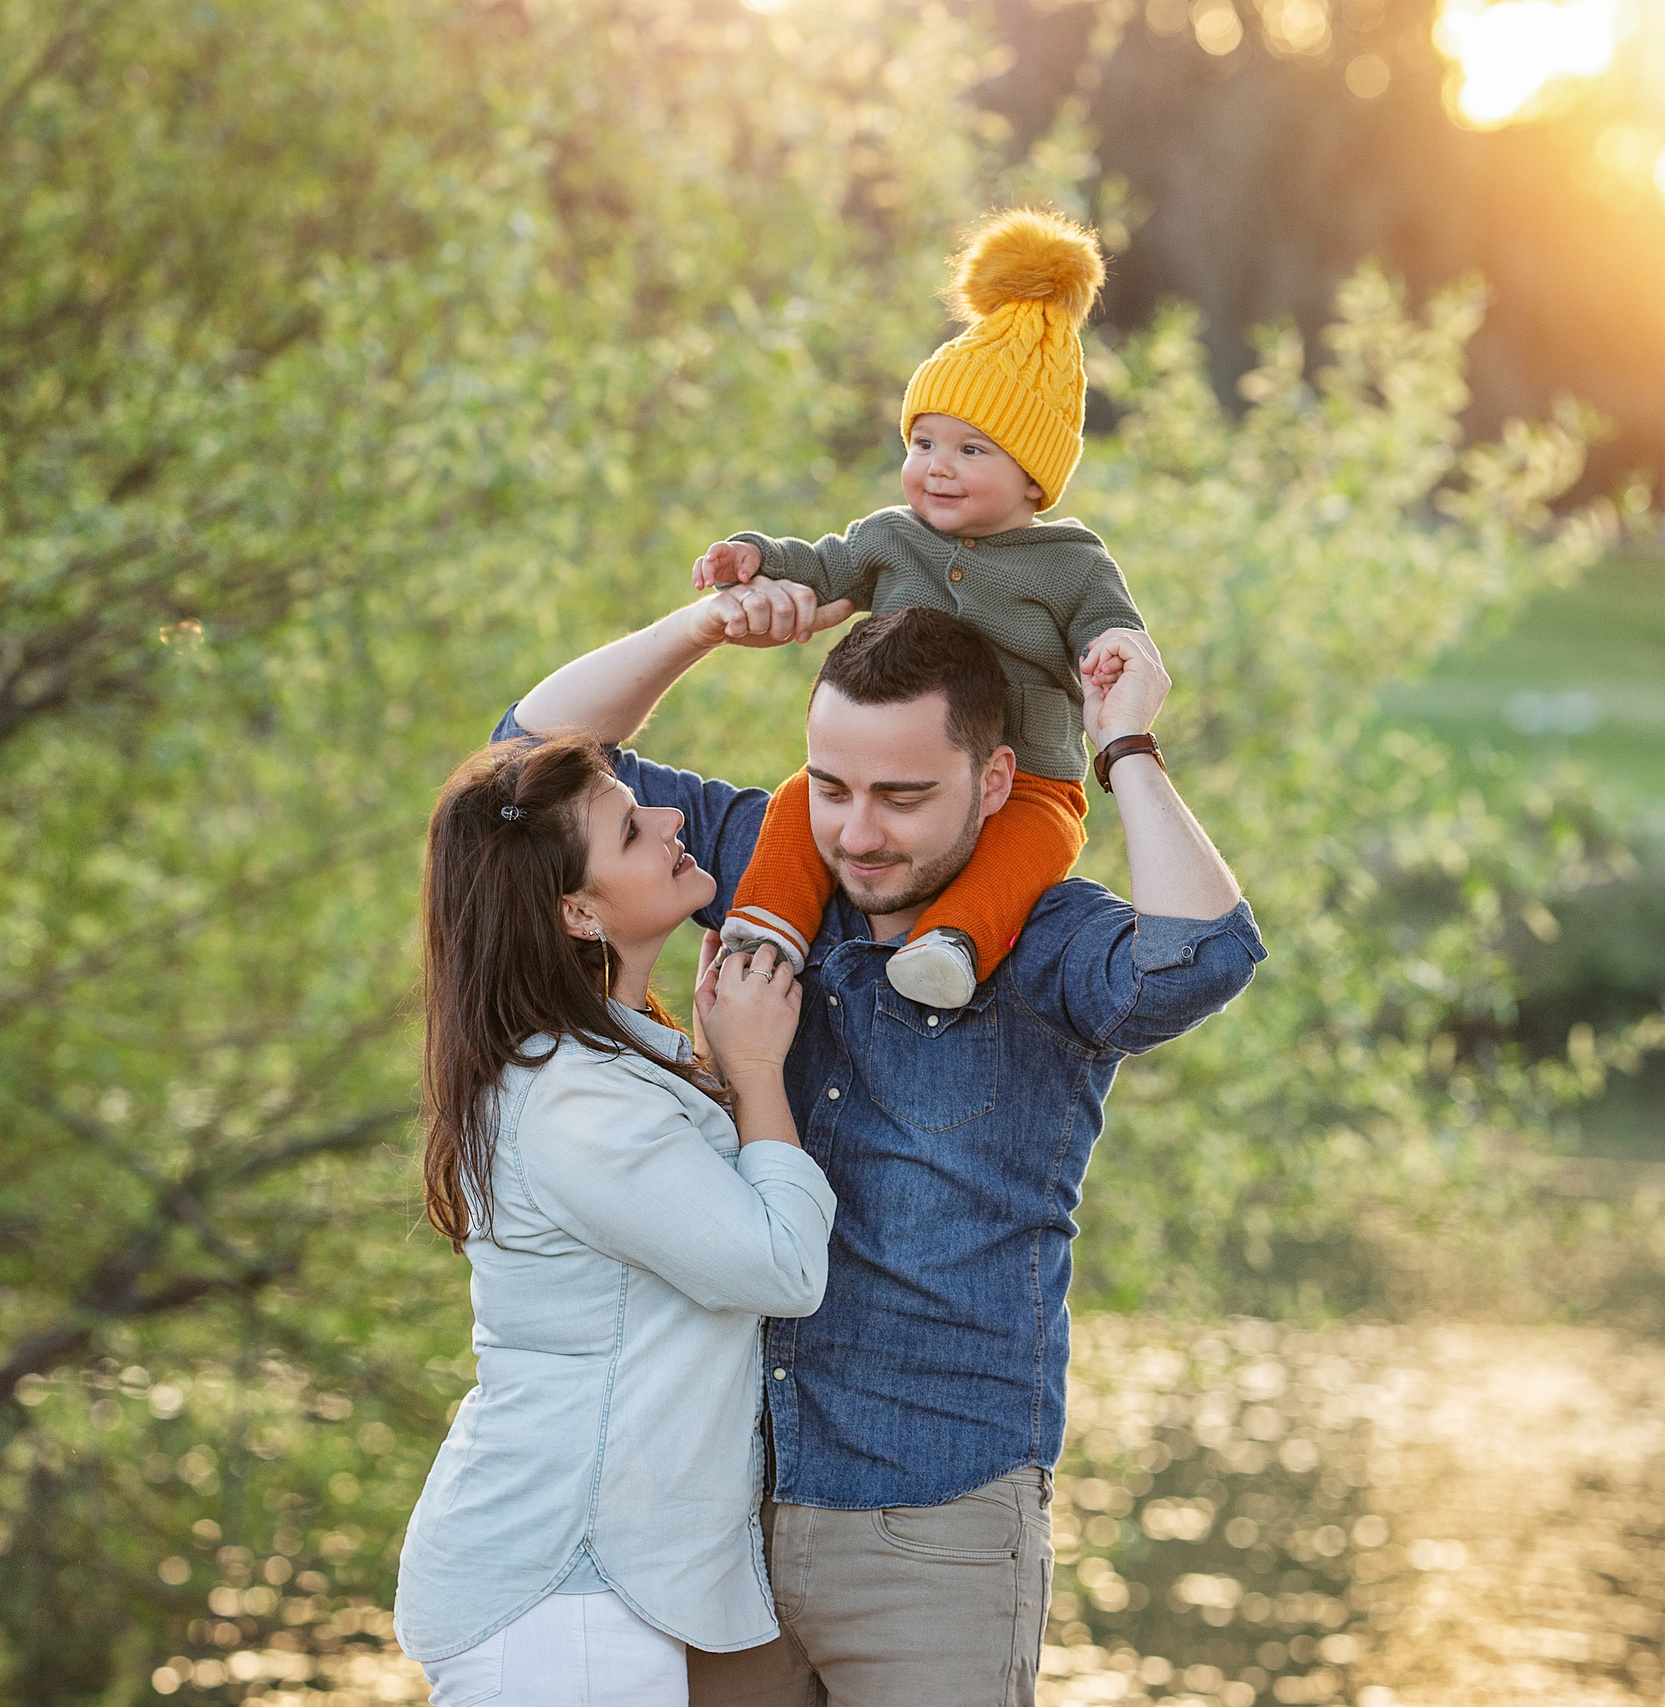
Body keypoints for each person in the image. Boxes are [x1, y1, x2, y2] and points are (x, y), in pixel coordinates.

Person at [503, 578, 1262, 1707]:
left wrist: (1127, 744)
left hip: (938, 1526)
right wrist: (704, 625)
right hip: (720, 1526)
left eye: (903, 796)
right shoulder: (765, 863)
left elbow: (1202, 956)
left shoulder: (1052, 942)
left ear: (995, 780)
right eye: (834, 787)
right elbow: (527, 767)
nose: (857, 834)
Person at [392, 735, 838, 1707]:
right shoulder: (576, 1103)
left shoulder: (604, 1070)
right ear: (578, 912)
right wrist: (758, 1072)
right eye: (633, 829)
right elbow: (782, 1267)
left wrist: (721, 1071)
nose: (672, 820)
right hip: (560, 1586)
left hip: (579, 1584)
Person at [692, 207, 1143, 1012]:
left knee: (1031, 848)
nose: (937, 468)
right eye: (923, 443)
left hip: (1030, 773)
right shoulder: (891, 538)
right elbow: (824, 567)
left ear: (1034, 479)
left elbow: (1110, 627)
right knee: (802, 801)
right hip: (889, 761)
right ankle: (764, 925)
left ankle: (952, 944)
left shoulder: (1069, 561)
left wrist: (1112, 651)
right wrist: (757, 557)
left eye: (972, 451)